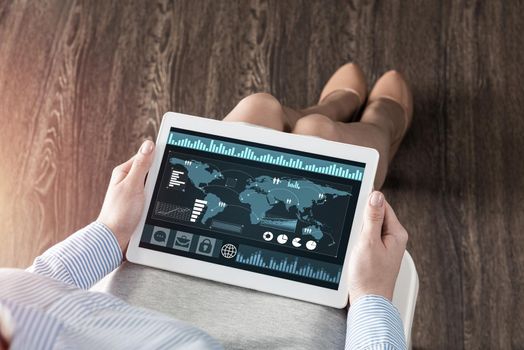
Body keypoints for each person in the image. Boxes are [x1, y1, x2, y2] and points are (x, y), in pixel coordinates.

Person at [0, 63, 411, 350]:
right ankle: (378, 127)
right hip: (286, 330)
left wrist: (109, 233)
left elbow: (30, 294)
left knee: (257, 107)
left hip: (138, 305)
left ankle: (322, 113)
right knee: (325, 144)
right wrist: (372, 298)